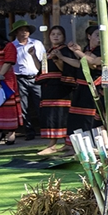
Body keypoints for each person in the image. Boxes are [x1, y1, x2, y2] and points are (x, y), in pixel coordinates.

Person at [35, 26, 72, 155]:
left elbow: (66, 69)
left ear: (64, 37)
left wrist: (58, 58)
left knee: (60, 114)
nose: (55, 36)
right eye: (53, 34)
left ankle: (60, 144)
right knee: (50, 114)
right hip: (48, 87)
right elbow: (42, 69)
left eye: (59, 34)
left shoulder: (65, 51)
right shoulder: (48, 52)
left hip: (61, 87)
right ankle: (57, 144)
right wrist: (33, 55)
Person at [61, 25, 103, 135]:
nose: (100, 38)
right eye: (97, 35)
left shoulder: (102, 50)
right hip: (81, 86)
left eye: (102, 35)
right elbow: (80, 64)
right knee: (77, 116)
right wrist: (62, 57)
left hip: (93, 87)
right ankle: (75, 141)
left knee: (89, 117)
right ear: (89, 36)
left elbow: (93, 63)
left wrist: (78, 52)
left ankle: (92, 140)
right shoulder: (86, 49)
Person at [9, 21, 45, 140]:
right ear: (16, 32)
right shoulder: (12, 46)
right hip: (19, 78)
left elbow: (44, 60)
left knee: (40, 103)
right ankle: (29, 131)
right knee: (23, 106)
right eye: (21, 30)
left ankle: (44, 129)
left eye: (26, 30)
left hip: (36, 77)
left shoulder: (37, 43)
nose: (24, 32)